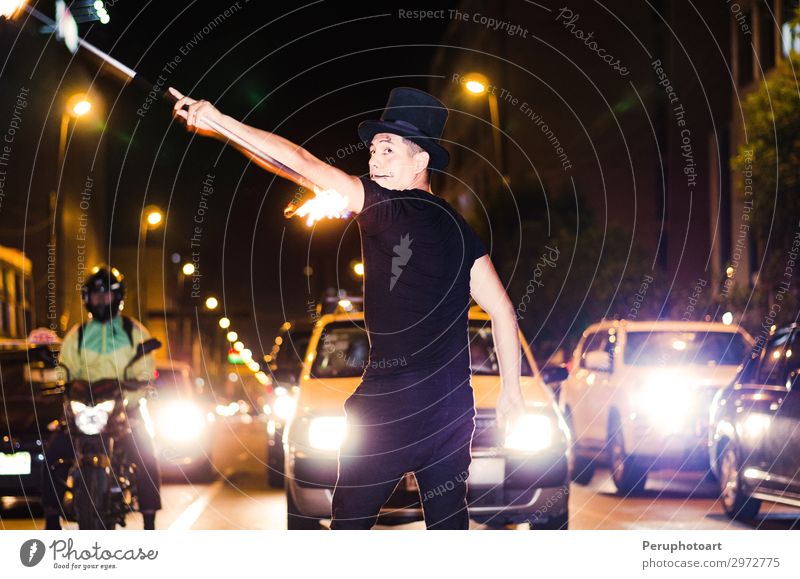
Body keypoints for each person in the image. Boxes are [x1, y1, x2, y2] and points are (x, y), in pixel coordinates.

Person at [170, 85, 526, 530]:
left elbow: (301, 163)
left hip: (389, 407)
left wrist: (220, 121)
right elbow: (504, 312)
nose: (374, 160)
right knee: (449, 529)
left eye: (388, 149)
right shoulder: (461, 229)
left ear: (421, 160)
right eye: (374, 149)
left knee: (350, 527)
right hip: (450, 411)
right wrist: (511, 392)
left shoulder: (385, 206)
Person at [41, 266, 161, 530]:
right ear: (87, 299)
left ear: (118, 297)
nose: (101, 301)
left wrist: (137, 385)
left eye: (106, 295)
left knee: (146, 455)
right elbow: (65, 367)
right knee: (53, 453)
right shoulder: (78, 334)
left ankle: (150, 520)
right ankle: (51, 517)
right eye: (96, 296)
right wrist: (55, 375)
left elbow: (145, 368)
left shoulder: (133, 331)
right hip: (83, 409)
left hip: (124, 408)